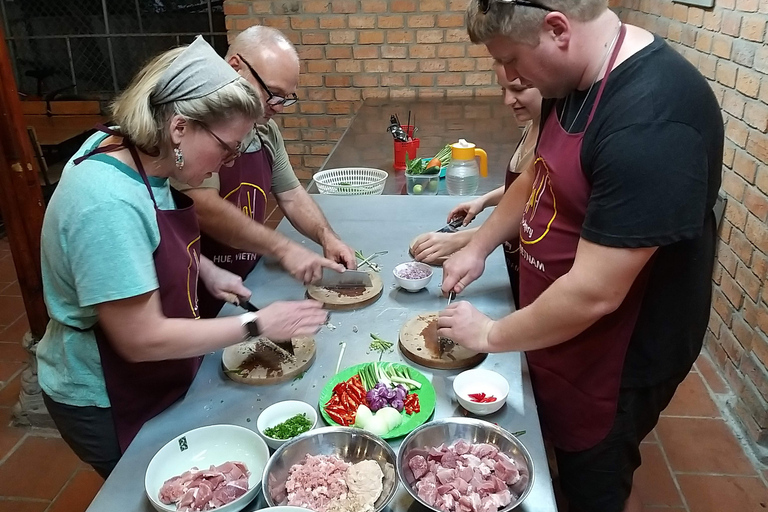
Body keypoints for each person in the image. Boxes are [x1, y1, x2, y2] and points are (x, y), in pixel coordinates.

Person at [438, 2, 723, 511]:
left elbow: (594, 293)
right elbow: (539, 173)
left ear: (557, 29)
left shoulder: (652, 119)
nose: (508, 77)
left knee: (594, 483)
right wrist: (480, 244)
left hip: (616, 356)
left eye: (510, 60)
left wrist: (490, 335)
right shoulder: (570, 81)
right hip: (561, 328)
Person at [36, 37, 328, 478]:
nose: (228, 162)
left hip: (157, 376)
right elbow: (141, 338)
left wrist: (203, 268)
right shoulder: (106, 199)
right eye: (226, 147)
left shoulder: (142, 156)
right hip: (109, 395)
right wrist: (258, 324)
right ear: (179, 128)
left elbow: (144, 245)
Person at [175, 26, 356, 319]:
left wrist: (327, 236)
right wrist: (283, 248)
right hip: (196, 293)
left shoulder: (265, 132)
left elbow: (292, 195)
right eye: (273, 94)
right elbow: (203, 206)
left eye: (286, 98)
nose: (279, 107)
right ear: (235, 66)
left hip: (241, 282)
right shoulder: (198, 130)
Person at [411, 65, 541, 306]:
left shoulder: (551, 140)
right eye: (503, 89)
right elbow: (528, 190)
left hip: (532, 267)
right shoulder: (533, 125)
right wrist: (484, 200)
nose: (507, 100)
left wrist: (464, 241)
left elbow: (537, 214)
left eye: (518, 89)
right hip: (514, 259)